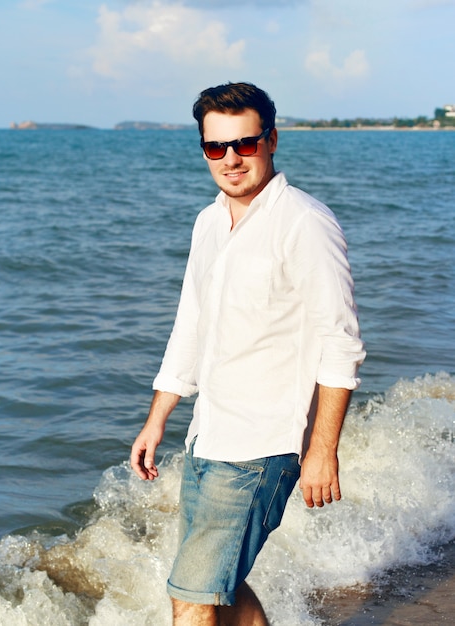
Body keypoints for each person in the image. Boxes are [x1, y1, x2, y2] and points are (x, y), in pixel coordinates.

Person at [130, 82, 366, 626]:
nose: (231, 158)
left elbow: (341, 343)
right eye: (216, 147)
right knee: (220, 589)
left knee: (192, 597)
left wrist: (323, 450)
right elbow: (191, 324)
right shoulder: (209, 222)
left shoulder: (305, 222)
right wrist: (157, 418)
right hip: (208, 435)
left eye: (245, 143)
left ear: (272, 140)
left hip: (261, 448)